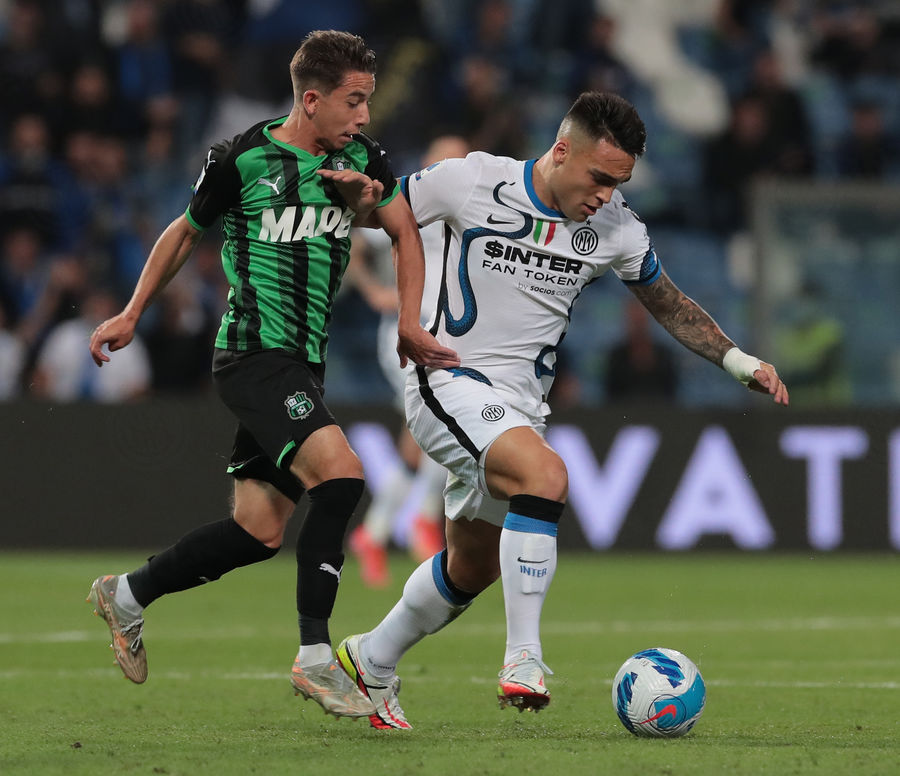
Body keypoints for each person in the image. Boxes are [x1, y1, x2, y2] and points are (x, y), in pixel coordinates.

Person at [334, 91, 789, 730]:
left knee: (471, 565)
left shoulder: (617, 227)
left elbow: (667, 303)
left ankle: (370, 660)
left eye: (618, 182)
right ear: (561, 149)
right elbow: (378, 212)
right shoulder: (471, 181)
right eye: (598, 177)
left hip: (520, 405)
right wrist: (348, 196)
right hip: (446, 378)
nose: (605, 194)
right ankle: (524, 658)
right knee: (546, 475)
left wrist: (739, 361)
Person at [85, 30, 458, 719]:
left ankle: (126, 595)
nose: (364, 116)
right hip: (254, 353)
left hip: (303, 363)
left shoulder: (361, 158)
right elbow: (185, 230)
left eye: (368, 101)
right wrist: (132, 311)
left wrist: (407, 316)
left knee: (258, 532)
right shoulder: (242, 158)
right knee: (342, 478)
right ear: (311, 100)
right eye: (354, 101)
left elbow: (404, 231)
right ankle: (316, 659)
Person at [346, 135, 470, 587]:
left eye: (464, 161)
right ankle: (422, 519)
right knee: (443, 423)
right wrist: (375, 292)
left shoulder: (472, 211)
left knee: (422, 436)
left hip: (445, 334)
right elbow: (356, 247)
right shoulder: (410, 198)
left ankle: (375, 533)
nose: (458, 170)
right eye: (449, 161)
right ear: (430, 163)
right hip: (404, 333)